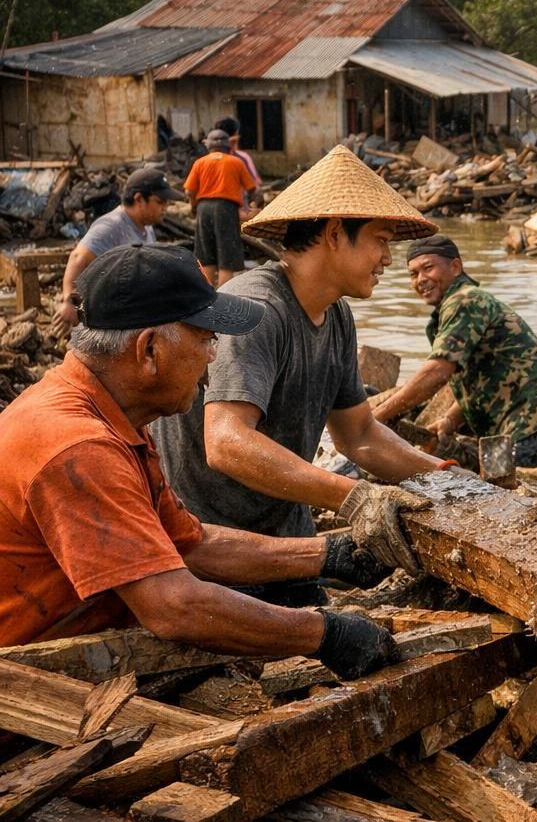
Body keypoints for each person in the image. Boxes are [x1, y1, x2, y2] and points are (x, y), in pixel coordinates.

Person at [0, 244, 397, 679]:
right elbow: (173, 606)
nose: (212, 360)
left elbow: (190, 545)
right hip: (26, 685)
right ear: (148, 350)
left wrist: (328, 554)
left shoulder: (111, 415)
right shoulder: (80, 447)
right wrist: (325, 634)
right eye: (207, 340)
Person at [151, 146, 456, 603]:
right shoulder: (257, 309)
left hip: (286, 534)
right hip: (214, 549)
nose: (388, 259)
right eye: (381, 240)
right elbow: (226, 443)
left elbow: (360, 435)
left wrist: (445, 479)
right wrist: (355, 497)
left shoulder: (336, 316)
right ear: (335, 234)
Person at [373, 235, 537, 465]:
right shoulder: (458, 305)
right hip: (524, 423)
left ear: (455, 267)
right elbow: (477, 380)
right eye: (413, 274)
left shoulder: (466, 300)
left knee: (510, 491)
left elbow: (437, 372)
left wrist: (377, 417)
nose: (421, 279)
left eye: (428, 268)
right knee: (497, 484)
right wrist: (449, 419)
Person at [54, 167, 181, 334]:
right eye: (160, 201)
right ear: (139, 199)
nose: (165, 207)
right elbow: (78, 258)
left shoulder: (145, 227)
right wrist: (71, 302)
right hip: (109, 324)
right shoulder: (112, 226)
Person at [183, 129, 258, 287]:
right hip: (226, 209)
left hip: (203, 208)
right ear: (227, 146)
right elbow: (252, 188)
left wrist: (194, 206)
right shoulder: (235, 162)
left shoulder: (200, 162)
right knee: (227, 256)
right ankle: (223, 297)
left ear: (208, 146)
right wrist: (254, 205)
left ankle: (207, 296)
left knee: (206, 254)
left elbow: (189, 191)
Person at [213, 116, 261, 221]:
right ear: (236, 136)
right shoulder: (241, 159)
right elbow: (255, 188)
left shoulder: (204, 160)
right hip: (237, 213)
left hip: (211, 213)